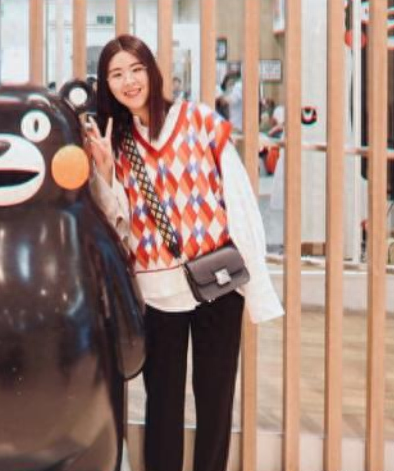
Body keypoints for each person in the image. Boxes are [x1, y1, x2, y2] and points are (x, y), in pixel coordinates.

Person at [85, 34, 283, 471]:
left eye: (136, 69)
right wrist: (104, 172)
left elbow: (239, 202)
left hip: (217, 284)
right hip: (157, 293)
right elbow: (118, 225)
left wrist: (258, 289)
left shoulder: (199, 121)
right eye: (116, 74)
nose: (129, 81)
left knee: (216, 402)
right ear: (106, 84)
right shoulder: (116, 142)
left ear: (153, 72)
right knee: (162, 406)